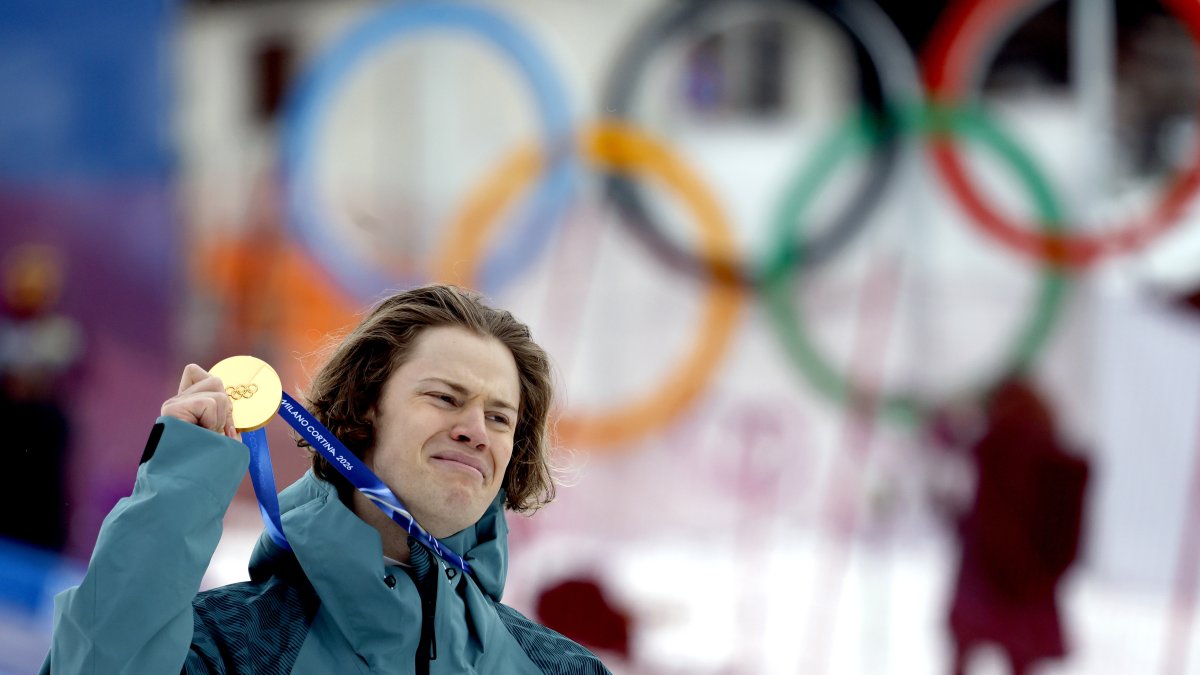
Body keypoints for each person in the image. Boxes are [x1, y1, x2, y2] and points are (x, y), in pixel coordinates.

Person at [42, 284, 610, 674]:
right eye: (444, 398)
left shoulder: (560, 667)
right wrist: (180, 487)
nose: (475, 431)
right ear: (363, 411)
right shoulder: (238, 648)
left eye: (499, 417)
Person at [939, 377, 1090, 675]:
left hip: (984, 581)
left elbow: (972, 506)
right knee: (1020, 661)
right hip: (1031, 584)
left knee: (965, 659)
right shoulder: (1057, 460)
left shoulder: (992, 447)